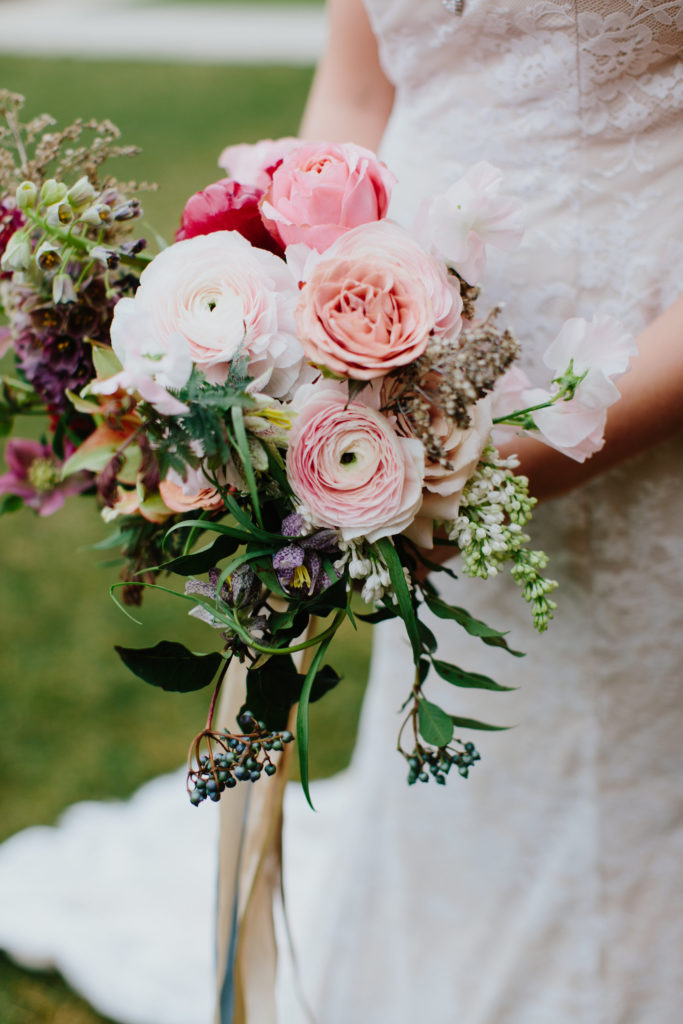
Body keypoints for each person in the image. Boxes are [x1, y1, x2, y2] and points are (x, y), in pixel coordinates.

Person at [274, 1, 683, 1022]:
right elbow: (358, 87)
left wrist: (510, 458)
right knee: (469, 740)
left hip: (643, 360)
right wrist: (289, 332)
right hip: (402, 364)